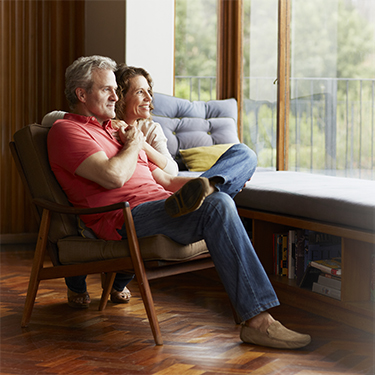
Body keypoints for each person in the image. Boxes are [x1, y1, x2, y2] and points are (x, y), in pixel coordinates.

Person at [47, 55, 311, 349]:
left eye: (116, 89)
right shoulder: (68, 131)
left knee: (243, 154)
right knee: (220, 205)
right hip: (125, 217)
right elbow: (113, 177)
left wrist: (220, 177)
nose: (115, 96)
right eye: (106, 89)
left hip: (165, 204)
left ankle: (210, 186)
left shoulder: (117, 130)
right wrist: (134, 142)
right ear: (81, 94)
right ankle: (259, 324)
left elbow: (169, 181)